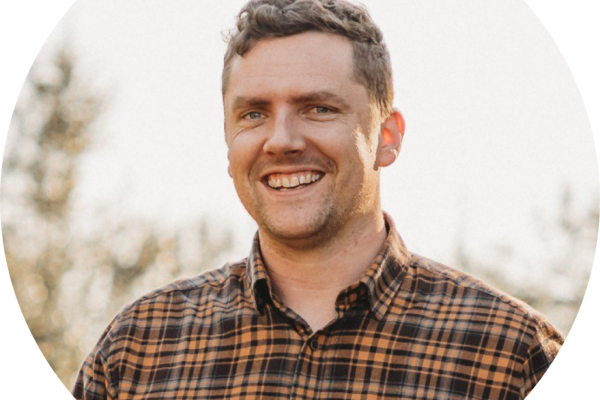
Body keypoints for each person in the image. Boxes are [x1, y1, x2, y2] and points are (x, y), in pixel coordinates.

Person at [72, 0, 564, 398]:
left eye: (318, 108)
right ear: (227, 141)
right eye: (253, 114)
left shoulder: (511, 355)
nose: (281, 140)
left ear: (387, 136)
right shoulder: (137, 350)